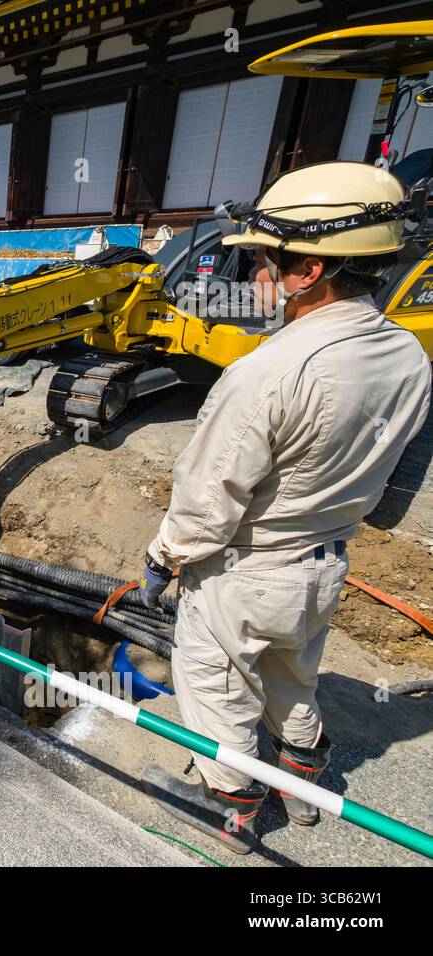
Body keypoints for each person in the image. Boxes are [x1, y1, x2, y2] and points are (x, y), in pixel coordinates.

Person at [138, 161, 431, 854]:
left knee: (218, 692)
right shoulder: (407, 355)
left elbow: (209, 502)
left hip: (245, 572)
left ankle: (232, 808)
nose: (257, 277)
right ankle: (302, 780)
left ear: (309, 273)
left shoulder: (269, 371)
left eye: (267, 261)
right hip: (324, 563)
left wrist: (161, 558)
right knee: (292, 675)